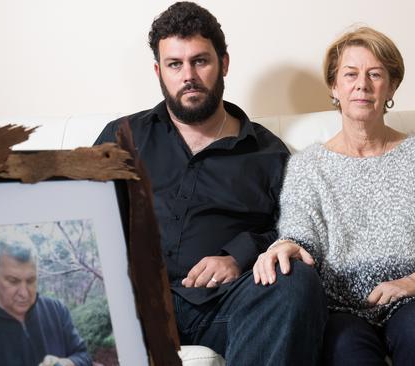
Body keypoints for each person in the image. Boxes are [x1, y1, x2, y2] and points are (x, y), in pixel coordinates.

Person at [94, 2, 327, 364]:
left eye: (200, 61)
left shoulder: (268, 154)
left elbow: (298, 233)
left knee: (295, 279)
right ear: (159, 70)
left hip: (220, 307)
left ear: (224, 64)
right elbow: (87, 217)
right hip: (133, 306)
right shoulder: (122, 136)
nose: (188, 75)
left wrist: (238, 256)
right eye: (175, 64)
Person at [253, 26, 415, 366]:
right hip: (339, 309)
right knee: (346, 352)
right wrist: (287, 245)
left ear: (392, 86)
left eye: (375, 74)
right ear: (334, 87)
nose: (362, 85)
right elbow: (300, 238)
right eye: (350, 74)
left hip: (414, 303)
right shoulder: (308, 165)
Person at [0, 239, 91, 366]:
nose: (24, 293)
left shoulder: (56, 310)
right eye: (13, 281)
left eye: (31, 281)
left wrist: (63, 363)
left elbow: (83, 356)